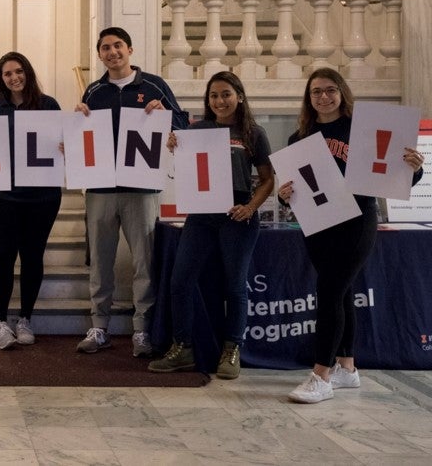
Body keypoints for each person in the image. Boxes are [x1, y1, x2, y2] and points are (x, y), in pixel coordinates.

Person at [280, 68, 424, 403]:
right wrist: (287, 193)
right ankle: (347, 368)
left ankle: (321, 376)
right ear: (308, 97)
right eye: (316, 91)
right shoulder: (299, 137)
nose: (324, 97)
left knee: (329, 291)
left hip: (357, 222)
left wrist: (414, 169)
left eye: (331, 90)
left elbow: (394, 178)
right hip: (318, 225)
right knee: (341, 293)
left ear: (342, 93)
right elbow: (295, 190)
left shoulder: (363, 129)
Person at [148, 71, 274, 379]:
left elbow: (269, 179)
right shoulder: (197, 129)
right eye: (214, 95)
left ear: (239, 96)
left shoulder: (253, 133)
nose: (220, 101)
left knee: (234, 285)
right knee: (180, 281)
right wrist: (175, 144)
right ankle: (183, 347)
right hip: (202, 215)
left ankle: (232, 349)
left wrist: (250, 207)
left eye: (226, 94)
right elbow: (184, 166)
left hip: (237, 213)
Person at [77, 27, 188, 357]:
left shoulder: (154, 86)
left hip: (141, 188)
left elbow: (181, 124)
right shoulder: (94, 91)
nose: (112, 52)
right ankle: (99, 327)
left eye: (118, 46)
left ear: (130, 49)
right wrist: (78, 118)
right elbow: (84, 136)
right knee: (100, 262)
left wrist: (167, 121)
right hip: (100, 190)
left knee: (144, 262)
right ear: (99, 55)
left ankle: (143, 329)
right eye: (105, 48)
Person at [0, 52, 62, 350]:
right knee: (2, 257)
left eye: (18, 71)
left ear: (28, 72)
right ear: (0, 79)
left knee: (32, 257)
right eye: (7, 74)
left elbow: (61, 143)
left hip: (42, 196)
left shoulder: (49, 104)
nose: (14, 78)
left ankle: (24, 318)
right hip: (2, 196)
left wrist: (65, 145)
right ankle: (1, 321)